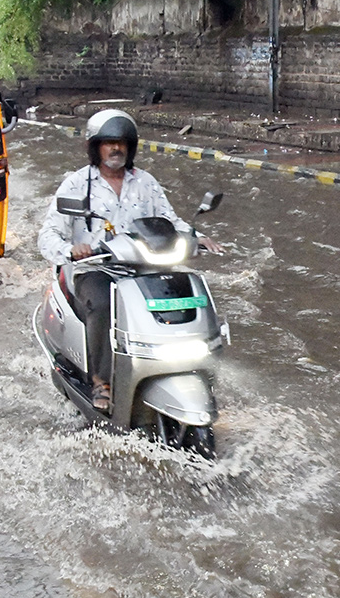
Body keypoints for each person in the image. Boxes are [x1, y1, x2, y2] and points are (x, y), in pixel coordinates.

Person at [38, 108, 222, 412]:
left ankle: (199, 368)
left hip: (144, 267)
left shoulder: (145, 182)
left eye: (122, 142)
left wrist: (195, 235)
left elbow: (169, 218)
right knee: (101, 302)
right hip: (95, 269)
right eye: (109, 142)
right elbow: (48, 234)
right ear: (95, 147)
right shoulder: (76, 183)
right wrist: (72, 250)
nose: (116, 148)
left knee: (187, 293)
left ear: (131, 146)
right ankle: (101, 380)